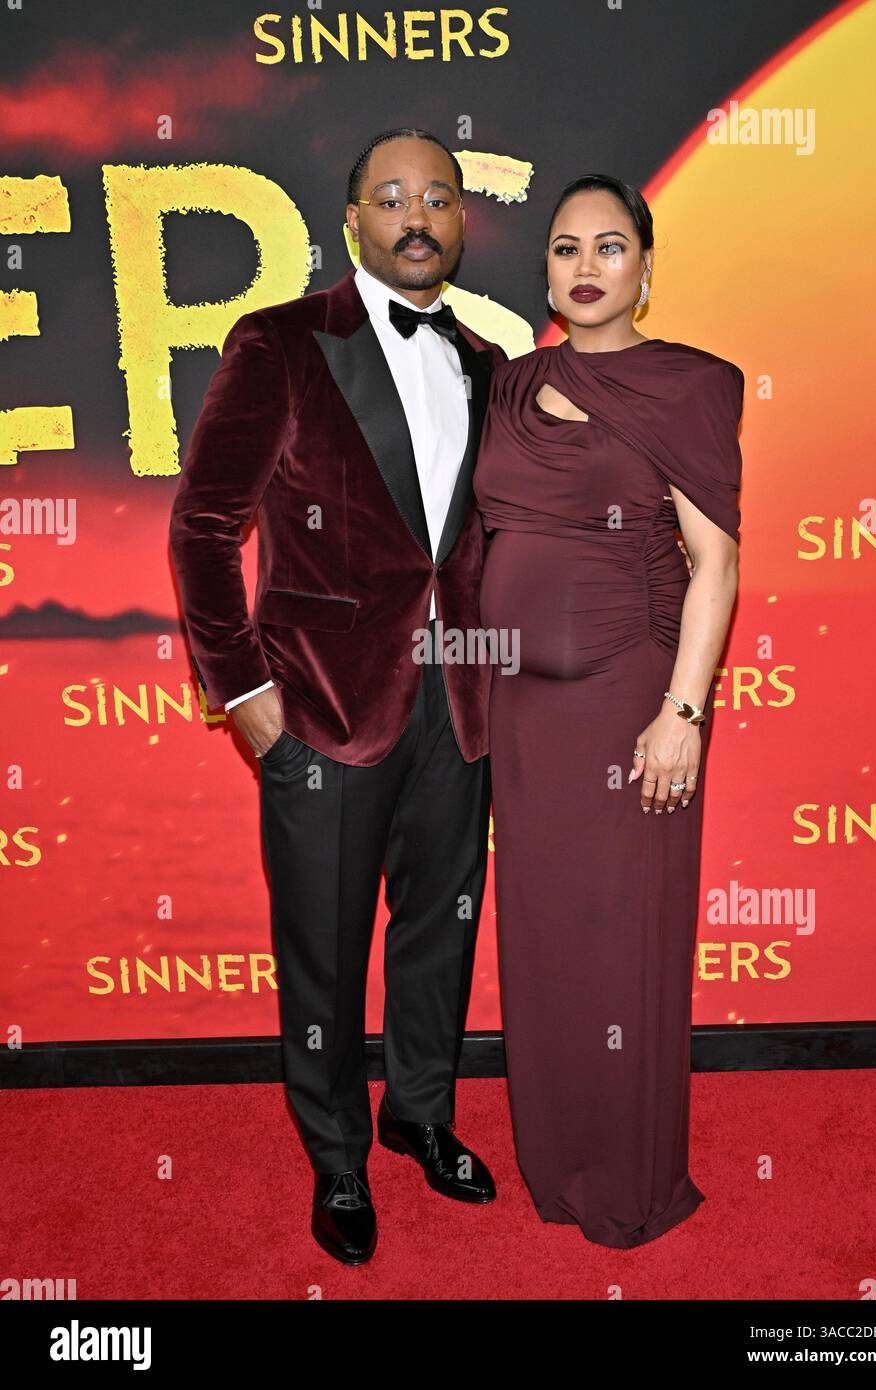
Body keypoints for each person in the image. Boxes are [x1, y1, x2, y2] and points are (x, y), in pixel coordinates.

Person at [169, 128, 508, 1266]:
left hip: (456, 710)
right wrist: (243, 695)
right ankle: (337, 1159)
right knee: (320, 948)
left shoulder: (484, 361)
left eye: (439, 199)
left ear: (461, 221)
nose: (418, 217)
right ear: (353, 218)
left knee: (438, 936)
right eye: (393, 198)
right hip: (318, 707)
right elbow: (204, 526)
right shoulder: (280, 344)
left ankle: (419, 1114)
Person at [473, 175, 745, 1247]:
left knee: (622, 939)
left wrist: (682, 711)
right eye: (563, 247)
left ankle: (626, 1183)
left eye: (610, 247)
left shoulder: (684, 386)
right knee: (541, 942)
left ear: (644, 266)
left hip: (633, 698)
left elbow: (714, 559)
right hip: (522, 716)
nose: (584, 266)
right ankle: (556, 1165)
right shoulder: (505, 386)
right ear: (542, 269)